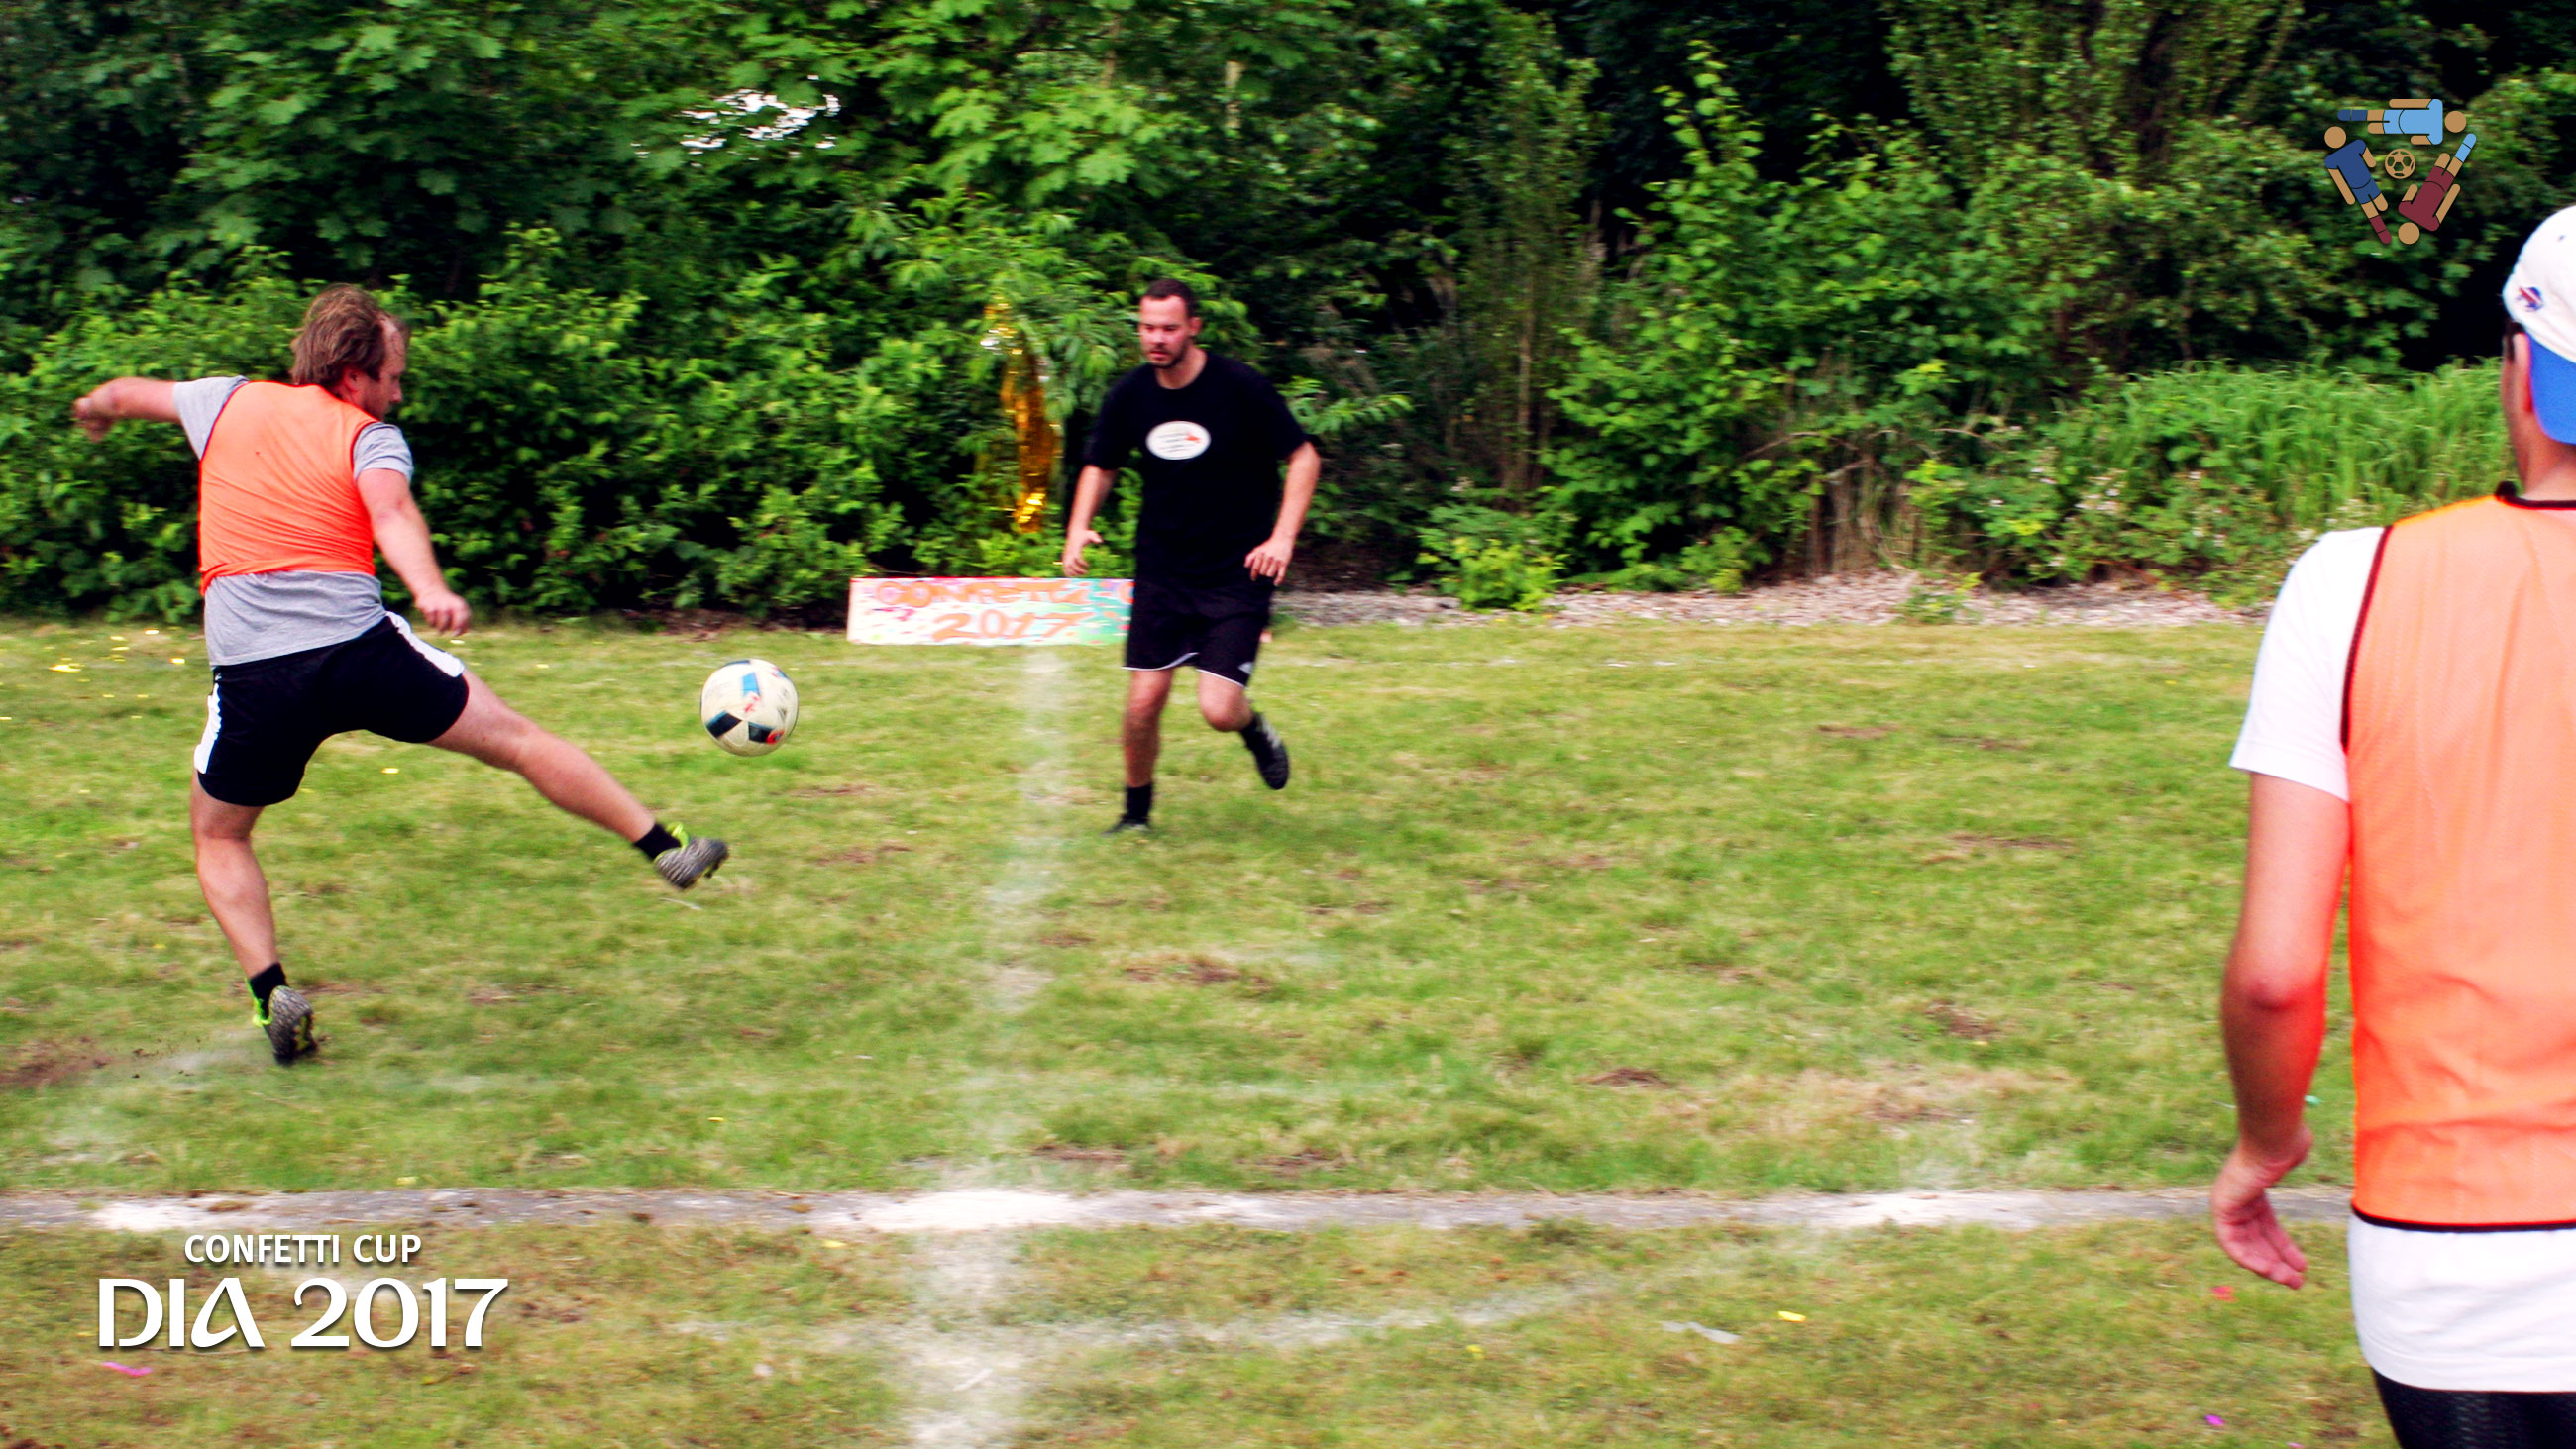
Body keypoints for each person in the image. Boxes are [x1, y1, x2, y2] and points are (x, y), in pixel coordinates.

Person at [70, 284, 728, 1067]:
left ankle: (271, 992)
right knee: (517, 739)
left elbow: (122, 394)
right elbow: (390, 512)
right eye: (394, 377)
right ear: (353, 375)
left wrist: (94, 410)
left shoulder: (225, 401)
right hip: (359, 655)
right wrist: (429, 586)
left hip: (255, 677)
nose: (399, 393)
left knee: (219, 832)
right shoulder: (368, 436)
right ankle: (662, 844)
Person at [2214, 207, 2576, 1445]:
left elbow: (2275, 975)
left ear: (2521, 373)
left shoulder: (2353, 583)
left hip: (2459, 1251)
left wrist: (2264, 1141)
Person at [1060, 278, 1321, 833]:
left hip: (1237, 571)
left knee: (1218, 710)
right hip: (1164, 570)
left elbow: (1303, 458)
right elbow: (1101, 465)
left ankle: (1255, 731)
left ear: (1193, 328)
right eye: (1147, 328)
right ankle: (1135, 817)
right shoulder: (1131, 395)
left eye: (1169, 328)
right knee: (1142, 703)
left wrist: (1282, 538)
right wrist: (1079, 527)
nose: (1156, 339)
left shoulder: (1239, 387)